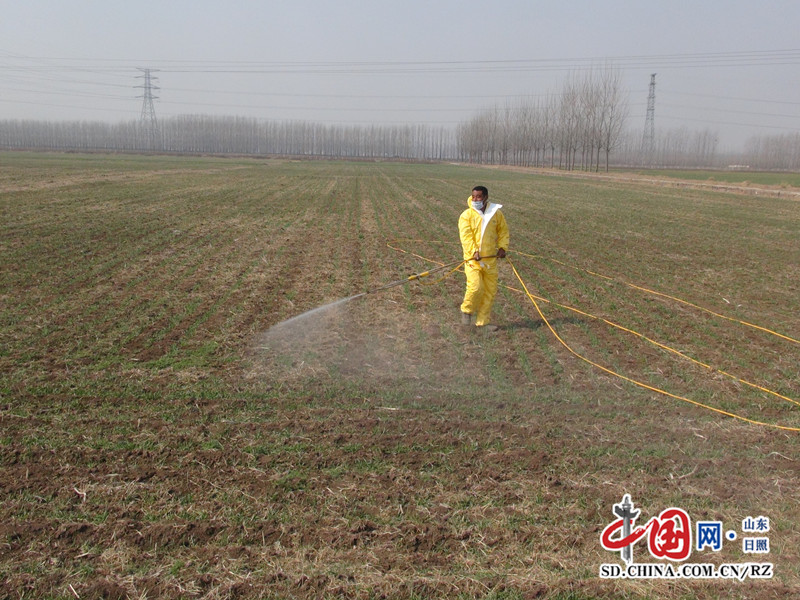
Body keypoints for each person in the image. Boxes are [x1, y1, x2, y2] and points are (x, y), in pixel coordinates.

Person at [458, 185, 509, 332]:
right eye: (473, 197)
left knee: (489, 291)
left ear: (486, 197)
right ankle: (466, 310)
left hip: (490, 261)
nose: (475, 199)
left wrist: (502, 248)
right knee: (475, 288)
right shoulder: (466, 215)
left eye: (478, 197)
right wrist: (473, 251)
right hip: (472, 260)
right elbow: (466, 237)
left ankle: (482, 323)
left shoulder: (496, 214)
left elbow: (503, 231)